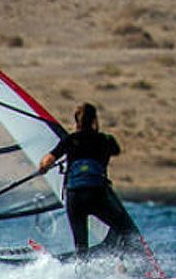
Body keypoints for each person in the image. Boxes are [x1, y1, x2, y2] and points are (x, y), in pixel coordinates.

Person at [38, 102, 149, 267]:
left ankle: (82, 277)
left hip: (74, 197)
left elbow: (46, 162)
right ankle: (123, 267)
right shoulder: (106, 140)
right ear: (95, 120)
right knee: (123, 230)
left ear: (76, 122)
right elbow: (116, 150)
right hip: (96, 194)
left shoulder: (69, 140)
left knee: (81, 246)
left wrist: (43, 169)